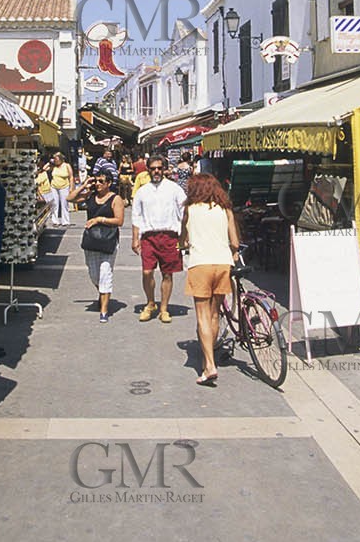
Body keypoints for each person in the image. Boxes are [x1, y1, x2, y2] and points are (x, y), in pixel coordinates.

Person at [179, 173, 241, 386]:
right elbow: (235, 241)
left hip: (201, 264)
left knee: (203, 316)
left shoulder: (190, 209)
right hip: (223, 264)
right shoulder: (225, 209)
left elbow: (182, 237)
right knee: (215, 315)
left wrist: (182, 244)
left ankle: (209, 365)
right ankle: (210, 356)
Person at [130, 156, 187, 324]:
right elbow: (136, 216)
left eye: (159, 168)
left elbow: (184, 212)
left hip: (169, 236)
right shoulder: (142, 191)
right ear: (148, 169)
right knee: (147, 272)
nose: (156, 171)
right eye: (153, 168)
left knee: (167, 274)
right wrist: (135, 239)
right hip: (148, 237)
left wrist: (185, 236)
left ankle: (164, 309)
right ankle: (150, 303)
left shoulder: (174, 189)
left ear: (165, 169)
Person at [81, 172, 126, 323]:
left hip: (108, 240)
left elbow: (119, 221)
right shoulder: (90, 196)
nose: (98, 183)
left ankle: (104, 310)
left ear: (109, 183)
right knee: (94, 275)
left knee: (105, 273)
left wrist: (100, 219)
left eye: (101, 181)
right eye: (96, 181)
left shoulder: (116, 199)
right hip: (91, 241)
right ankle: (102, 294)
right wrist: (85, 184)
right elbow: (70, 198)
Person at [46, 152, 75, 226]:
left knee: (64, 203)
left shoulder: (67, 165)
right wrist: (50, 162)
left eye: (56, 158)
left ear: (61, 159)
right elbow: (44, 168)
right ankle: (55, 221)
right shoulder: (53, 166)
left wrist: (71, 187)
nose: (55, 160)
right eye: (54, 159)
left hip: (64, 186)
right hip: (54, 186)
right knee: (55, 204)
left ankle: (65, 221)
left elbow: (71, 177)